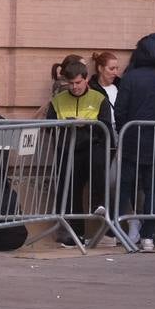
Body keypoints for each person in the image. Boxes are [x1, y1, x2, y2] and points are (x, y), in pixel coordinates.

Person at [115, 33, 155, 252]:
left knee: (125, 187)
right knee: (154, 190)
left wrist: (123, 130)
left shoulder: (132, 77)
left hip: (133, 140)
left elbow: (120, 110)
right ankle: (148, 237)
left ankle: (121, 230)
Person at [46, 58, 113, 246]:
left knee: (97, 172)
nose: (74, 87)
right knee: (71, 192)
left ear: (85, 80)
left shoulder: (98, 99)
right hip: (68, 150)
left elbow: (105, 127)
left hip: (91, 147)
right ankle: (76, 235)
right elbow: (49, 126)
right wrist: (66, 125)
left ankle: (98, 206)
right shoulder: (58, 100)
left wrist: (87, 124)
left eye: (78, 83)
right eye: (71, 84)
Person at [90, 51, 122, 132]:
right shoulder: (91, 88)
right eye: (111, 69)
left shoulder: (121, 86)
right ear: (100, 68)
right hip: (101, 132)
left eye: (117, 68)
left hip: (120, 130)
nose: (115, 72)